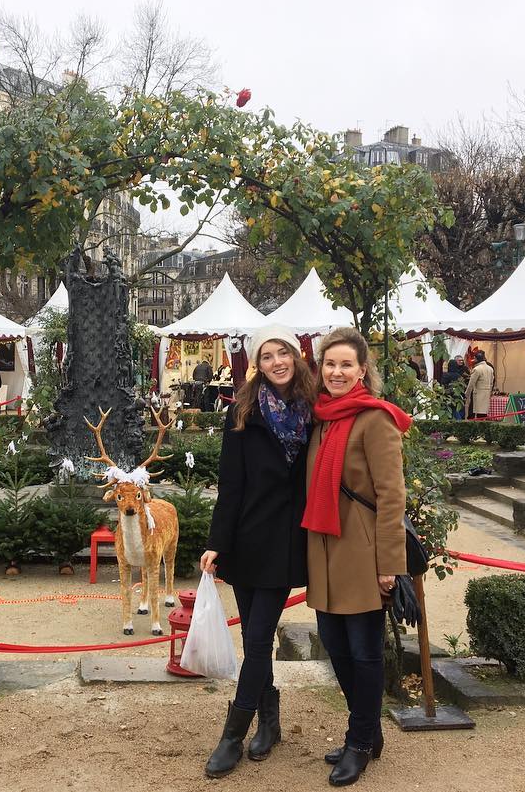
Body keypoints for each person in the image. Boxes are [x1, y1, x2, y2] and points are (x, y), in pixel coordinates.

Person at [199, 324, 316, 778]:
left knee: (259, 639)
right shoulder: (243, 411)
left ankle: (233, 733)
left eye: (282, 352)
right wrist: (216, 543)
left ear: (296, 355)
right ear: (256, 364)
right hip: (246, 539)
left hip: (287, 542)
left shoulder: (314, 410)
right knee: (254, 637)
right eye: (266, 356)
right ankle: (270, 719)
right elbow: (231, 483)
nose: (276, 362)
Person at [302, 327, 411, 788]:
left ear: (362, 370)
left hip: (363, 552)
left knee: (365, 652)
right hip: (325, 549)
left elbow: (392, 496)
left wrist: (390, 563)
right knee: (337, 646)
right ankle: (367, 729)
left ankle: (359, 742)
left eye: (346, 364)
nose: (337, 371)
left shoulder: (374, 419)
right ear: (320, 368)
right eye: (330, 363)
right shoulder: (322, 416)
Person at [465, 350, 494, 419]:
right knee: (483, 414)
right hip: (486, 393)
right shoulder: (490, 369)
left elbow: (471, 383)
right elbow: (491, 383)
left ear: (476, 359)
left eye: (474, 358)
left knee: (472, 414)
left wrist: (467, 393)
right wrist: (490, 392)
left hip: (477, 394)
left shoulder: (477, 369)